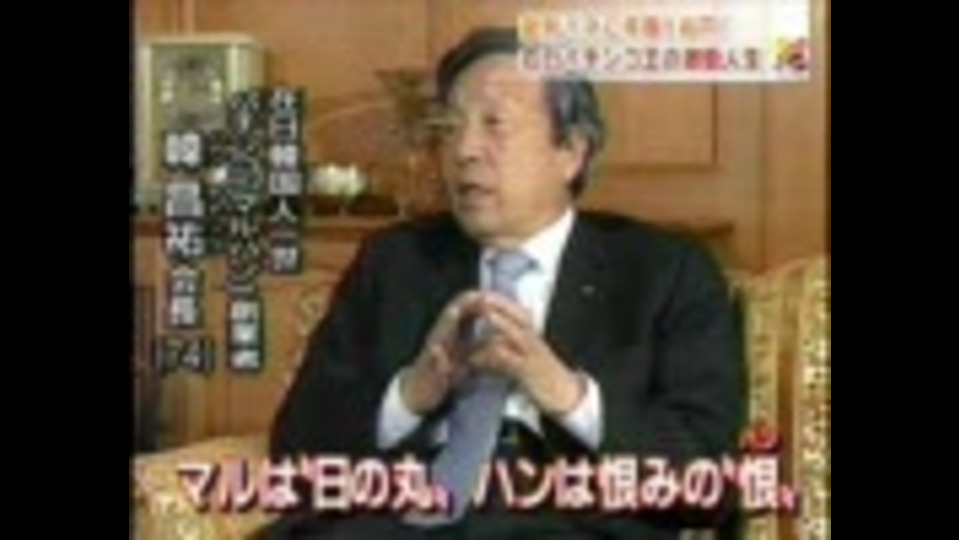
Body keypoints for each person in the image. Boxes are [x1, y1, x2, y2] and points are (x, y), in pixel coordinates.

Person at [259, 26, 746, 540]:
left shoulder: (665, 273)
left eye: (495, 124)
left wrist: (568, 396)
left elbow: (707, 481)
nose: (464, 150)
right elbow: (294, 453)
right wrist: (410, 395)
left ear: (570, 151)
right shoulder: (394, 262)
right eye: (451, 127)